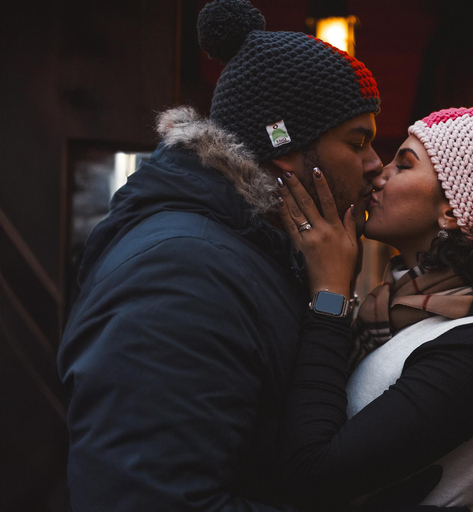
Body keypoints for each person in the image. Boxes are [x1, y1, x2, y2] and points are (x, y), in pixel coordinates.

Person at [57, 0, 383, 510]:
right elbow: (144, 499)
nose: (375, 164)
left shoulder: (249, 250)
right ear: (286, 150)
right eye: (357, 141)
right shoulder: (184, 274)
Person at [274, 107, 473, 511]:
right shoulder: (391, 309)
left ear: (451, 210)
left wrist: (330, 294)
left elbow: (313, 474)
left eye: (404, 165)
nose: (380, 174)